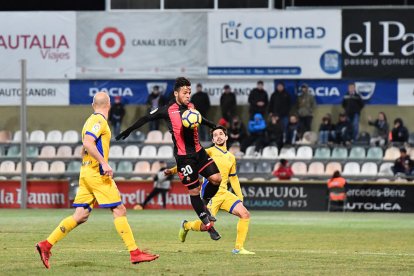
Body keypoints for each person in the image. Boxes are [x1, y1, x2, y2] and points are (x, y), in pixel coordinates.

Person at [35, 92, 159, 269]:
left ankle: (46, 245)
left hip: (86, 172)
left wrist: (88, 158)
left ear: (93, 105)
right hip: (96, 173)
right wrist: (103, 163)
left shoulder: (89, 120)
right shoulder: (99, 121)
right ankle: (134, 252)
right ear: (108, 105)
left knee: (80, 215)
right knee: (119, 209)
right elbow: (88, 142)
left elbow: (85, 145)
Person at [116, 77, 222, 240]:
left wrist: (214, 126)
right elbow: (146, 118)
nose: (188, 95)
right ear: (176, 93)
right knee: (193, 190)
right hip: (184, 159)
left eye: (189, 92)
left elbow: (200, 119)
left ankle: (205, 202)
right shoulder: (167, 109)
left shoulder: (192, 108)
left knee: (216, 178)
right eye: (185, 93)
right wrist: (129, 130)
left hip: (199, 152)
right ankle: (208, 227)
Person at [166, 126, 254, 255]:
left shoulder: (231, 157)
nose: (218, 136)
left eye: (221, 134)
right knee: (208, 225)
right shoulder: (209, 152)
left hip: (224, 192)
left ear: (226, 137)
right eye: (215, 135)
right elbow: (189, 162)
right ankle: (186, 225)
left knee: (245, 215)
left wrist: (240, 196)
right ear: (213, 139)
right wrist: (173, 170)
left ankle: (238, 248)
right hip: (211, 193)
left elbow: (233, 178)